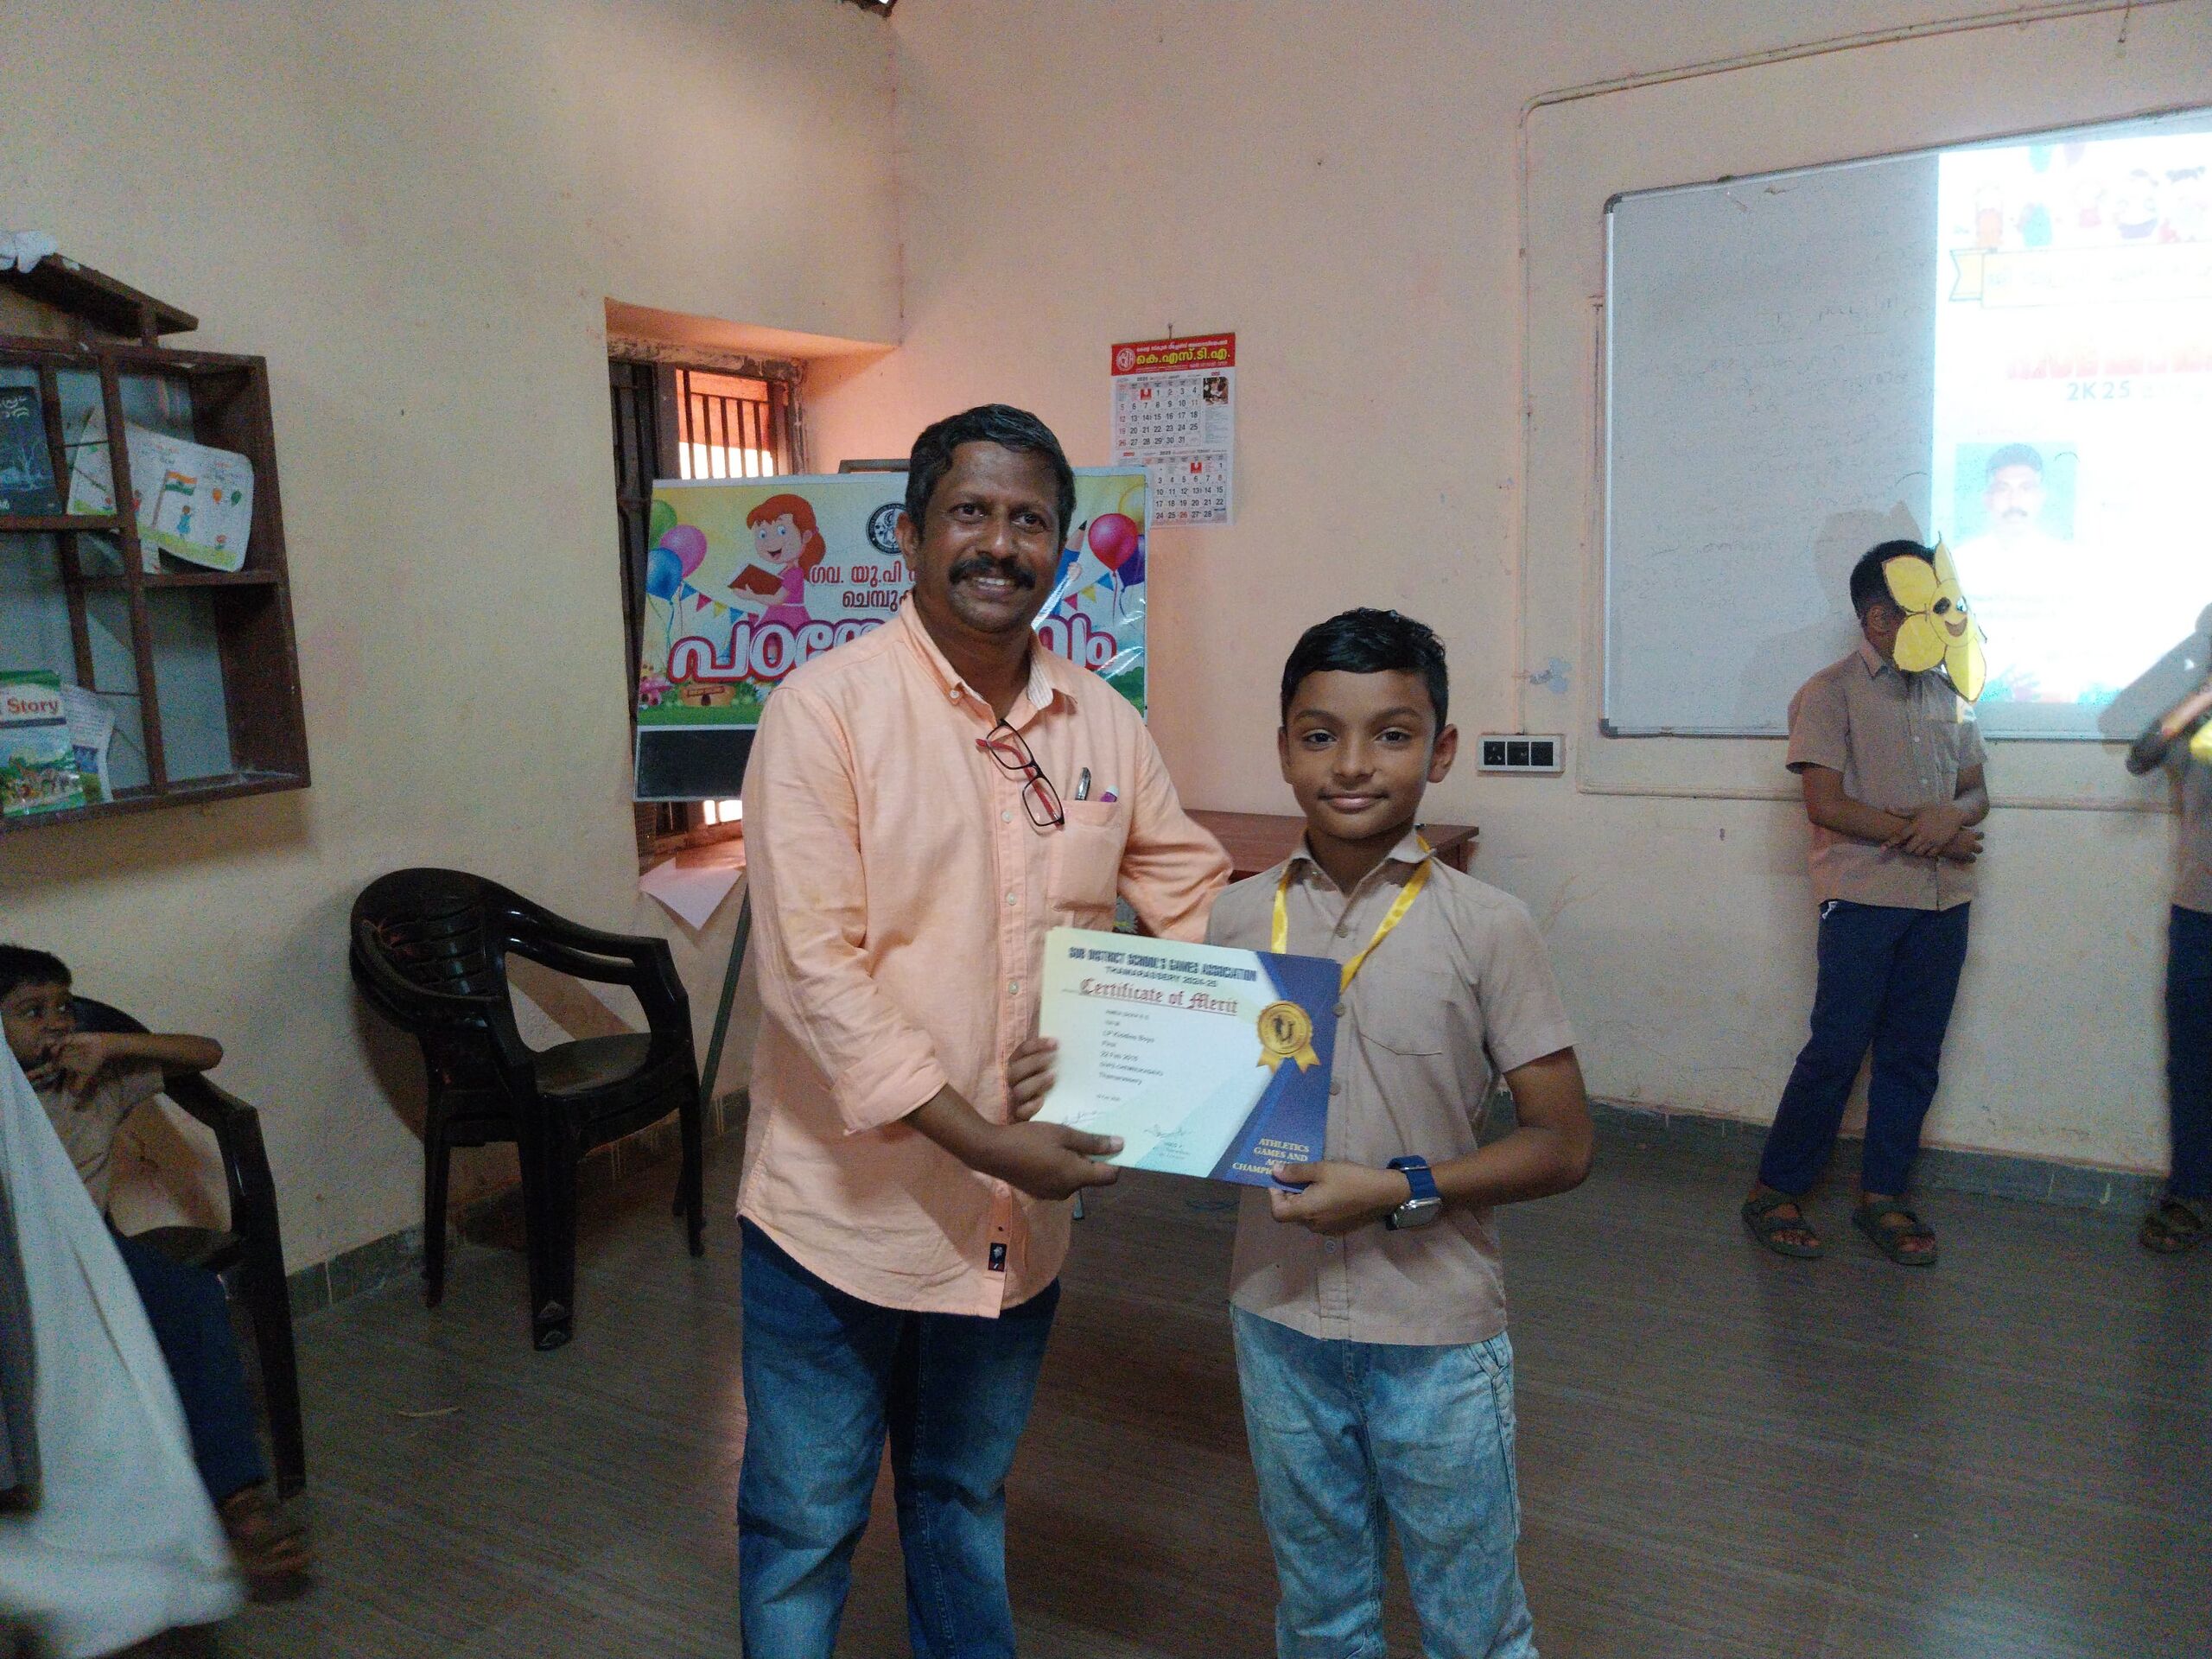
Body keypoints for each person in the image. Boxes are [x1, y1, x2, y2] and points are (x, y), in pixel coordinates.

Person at [734, 404, 1230, 1656]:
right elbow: (816, 978)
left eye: (1030, 520)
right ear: (909, 535)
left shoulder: (1101, 722)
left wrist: (1169, 1055)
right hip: (836, 1219)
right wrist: (989, 1140)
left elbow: (1191, 896)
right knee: (803, 1523)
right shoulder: (824, 713)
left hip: (1015, 1226)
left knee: (960, 1499)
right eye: (971, 512)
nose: (1000, 543)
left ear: (1062, 548)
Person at [1018, 607, 1592, 1658]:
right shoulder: (1235, 920)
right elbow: (1187, 1099)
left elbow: (1562, 1144)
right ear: (1284, 750)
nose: (1354, 764)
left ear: (1441, 750)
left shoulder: (1490, 926)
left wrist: (1399, 1188)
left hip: (1435, 1330)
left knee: (1473, 1620)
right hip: (1275, 1316)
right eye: (1320, 735)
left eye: (1392, 734)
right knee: (1321, 1609)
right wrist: (1079, 1089)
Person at [0, 944, 310, 1598]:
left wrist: (111, 1043)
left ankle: (239, 1499)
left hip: (94, 1250)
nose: (55, 1022)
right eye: (31, 1011)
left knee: (190, 1297)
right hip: (13, 1265)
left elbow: (206, 1053)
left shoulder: (97, 1078)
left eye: (63, 1006)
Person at [1741, 542, 1990, 1266]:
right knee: (1838, 1049)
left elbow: (1976, 791)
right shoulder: (1829, 693)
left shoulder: (1950, 690)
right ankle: (1775, 1190)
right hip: (1863, 901)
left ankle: (1884, 1196)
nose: (1947, 616)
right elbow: (1826, 804)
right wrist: (1931, 833)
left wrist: (1951, 817)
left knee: (1914, 1056)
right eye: (1928, 604)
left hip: (1943, 906)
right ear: (1880, 618)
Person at [2125, 654, 2212, 1253]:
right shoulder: (2195, 720)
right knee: (2193, 1062)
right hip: (2200, 912)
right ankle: (2189, 1193)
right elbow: (2141, 757)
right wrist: (2201, 697)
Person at [1949, 443, 2076, 702]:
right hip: (1971, 706)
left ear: (2041, 497)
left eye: (2026, 489)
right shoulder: (1957, 564)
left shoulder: (2070, 565)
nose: (2014, 501)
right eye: (2003, 489)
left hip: (2056, 709)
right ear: (1987, 498)